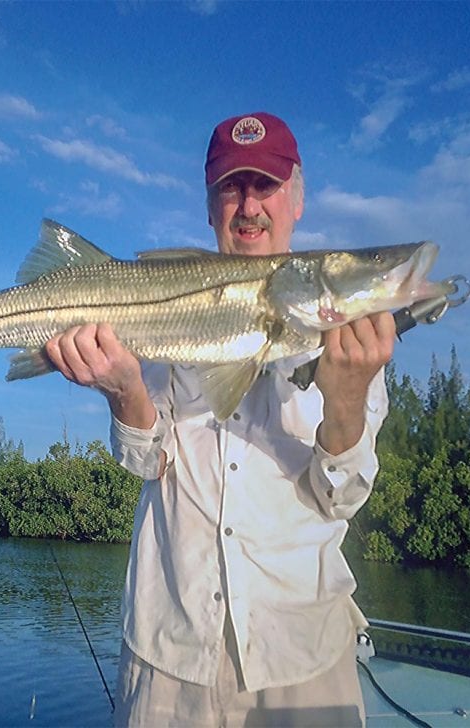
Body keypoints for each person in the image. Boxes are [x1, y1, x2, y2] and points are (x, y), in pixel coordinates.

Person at [45, 112, 396, 727]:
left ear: (297, 199)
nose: (249, 206)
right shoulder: (167, 307)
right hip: (169, 651)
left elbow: (340, 498)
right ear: (210, 206)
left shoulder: (354, 343)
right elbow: (146, 461)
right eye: (231, 187)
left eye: (266, 185)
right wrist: (124, 389)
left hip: (302, 657)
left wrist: (345, 403)